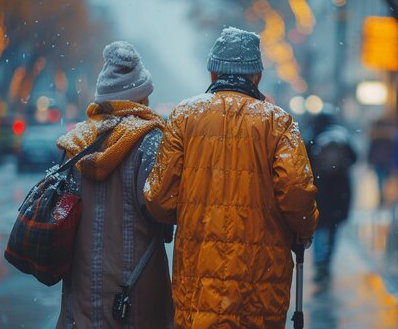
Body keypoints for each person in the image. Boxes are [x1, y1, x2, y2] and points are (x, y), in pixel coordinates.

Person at [144, 27, 319, 329]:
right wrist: (304, 228)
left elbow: (159, 199)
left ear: (213, 73)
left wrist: (193, 212)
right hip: (260, 282)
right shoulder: (278, 123)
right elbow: (298, 194)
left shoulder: (184, 116)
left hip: (198, 281)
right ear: (257, 77)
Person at [55, 41, 174, 328]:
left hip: (81, 291)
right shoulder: (151, 140)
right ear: (141, 96)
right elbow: (162, 209)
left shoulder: (76, 143)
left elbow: (61, 213)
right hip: (135, 294)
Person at [307, 111, 356, 283]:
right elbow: (355, 158)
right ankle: (327, 261)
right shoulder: (342, 137)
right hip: (340, 193)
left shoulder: (313, 137)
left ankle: (319, 262)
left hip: (320, 191)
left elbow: (304, 162)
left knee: (319, 229)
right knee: (333, 230)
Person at [367, 118, 395, 207]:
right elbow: (392, 150)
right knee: (385, 179)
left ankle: (382, 194)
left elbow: (371, 150)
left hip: (378, 161)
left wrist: (370, 160)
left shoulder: (375, 136)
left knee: (380, 179)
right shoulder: (389, 136)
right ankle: (384, 194)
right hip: (386, 161)